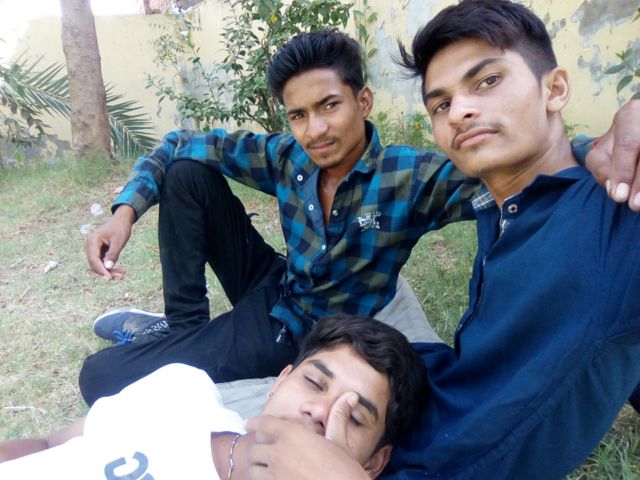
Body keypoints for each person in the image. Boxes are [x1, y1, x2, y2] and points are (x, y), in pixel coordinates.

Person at [80, 28, 637, 406]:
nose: (316, 129)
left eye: (329, 106)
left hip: (299, 332)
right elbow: (178, 143)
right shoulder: (287, 156)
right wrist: (124, 213)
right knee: (187, 173)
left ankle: (174, 349)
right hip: (277, 284)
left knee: (100, 377)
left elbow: (520, 168)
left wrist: (595, 149)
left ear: (362, 102)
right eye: (299, 115)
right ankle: (182, 332)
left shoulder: (408, 179)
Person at [242, 2, 640, 479]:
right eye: (441, 104)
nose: (461, 111)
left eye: (487, 81)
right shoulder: (505, 209)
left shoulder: (615, 216)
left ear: (554, 89)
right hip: (398, 408)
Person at [0, 315, 428, 480]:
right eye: (314, 383)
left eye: (353, 417)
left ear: (373, 464)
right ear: (280, 381)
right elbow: (48, 445)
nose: (319, 411)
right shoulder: (181, 390)